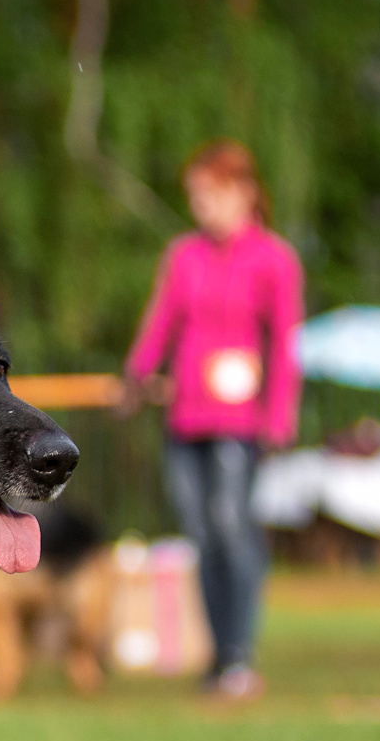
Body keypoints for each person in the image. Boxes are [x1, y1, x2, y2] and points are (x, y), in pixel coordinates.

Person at [121, 140, 303, 702]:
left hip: (240, 423)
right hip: (187, 417)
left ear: (243, 193)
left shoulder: (274, 260)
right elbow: (162, 321)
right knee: (201, 534)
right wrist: (138, 372)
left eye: (211, 194)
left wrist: (278, 417)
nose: (202, 206)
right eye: (195, 196)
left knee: (231, 527)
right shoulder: (184, 256)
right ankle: (219, 658)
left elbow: (285, 345)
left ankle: (238, 656)